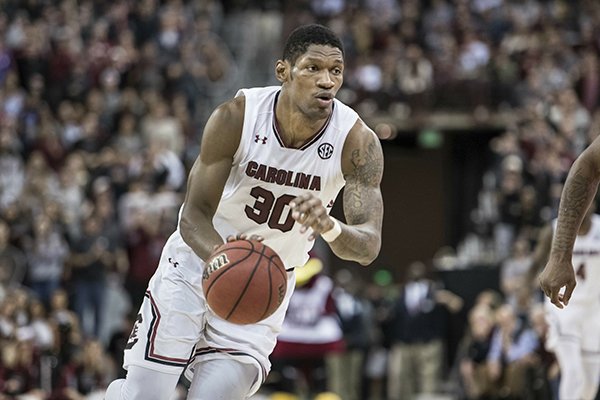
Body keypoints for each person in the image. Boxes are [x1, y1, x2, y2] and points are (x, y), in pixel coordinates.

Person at [105, 23, 384, 400]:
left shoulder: (356, 141)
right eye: (312, 68)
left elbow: (367, 246)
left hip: (265, 286)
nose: (326, 81)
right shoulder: (236, 117)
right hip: (194, 265)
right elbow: (192, 216)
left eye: (335, 71)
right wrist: (226, 260)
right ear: (283, 70)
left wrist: (330, 226)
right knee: (144, 395)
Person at [533, 202, 600, 400]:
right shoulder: (554, 230)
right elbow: (536, 262)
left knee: (590, 380)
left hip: (594, 309)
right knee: (573, 373)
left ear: (593, 205)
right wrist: (527, 290)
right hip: (563, 307)